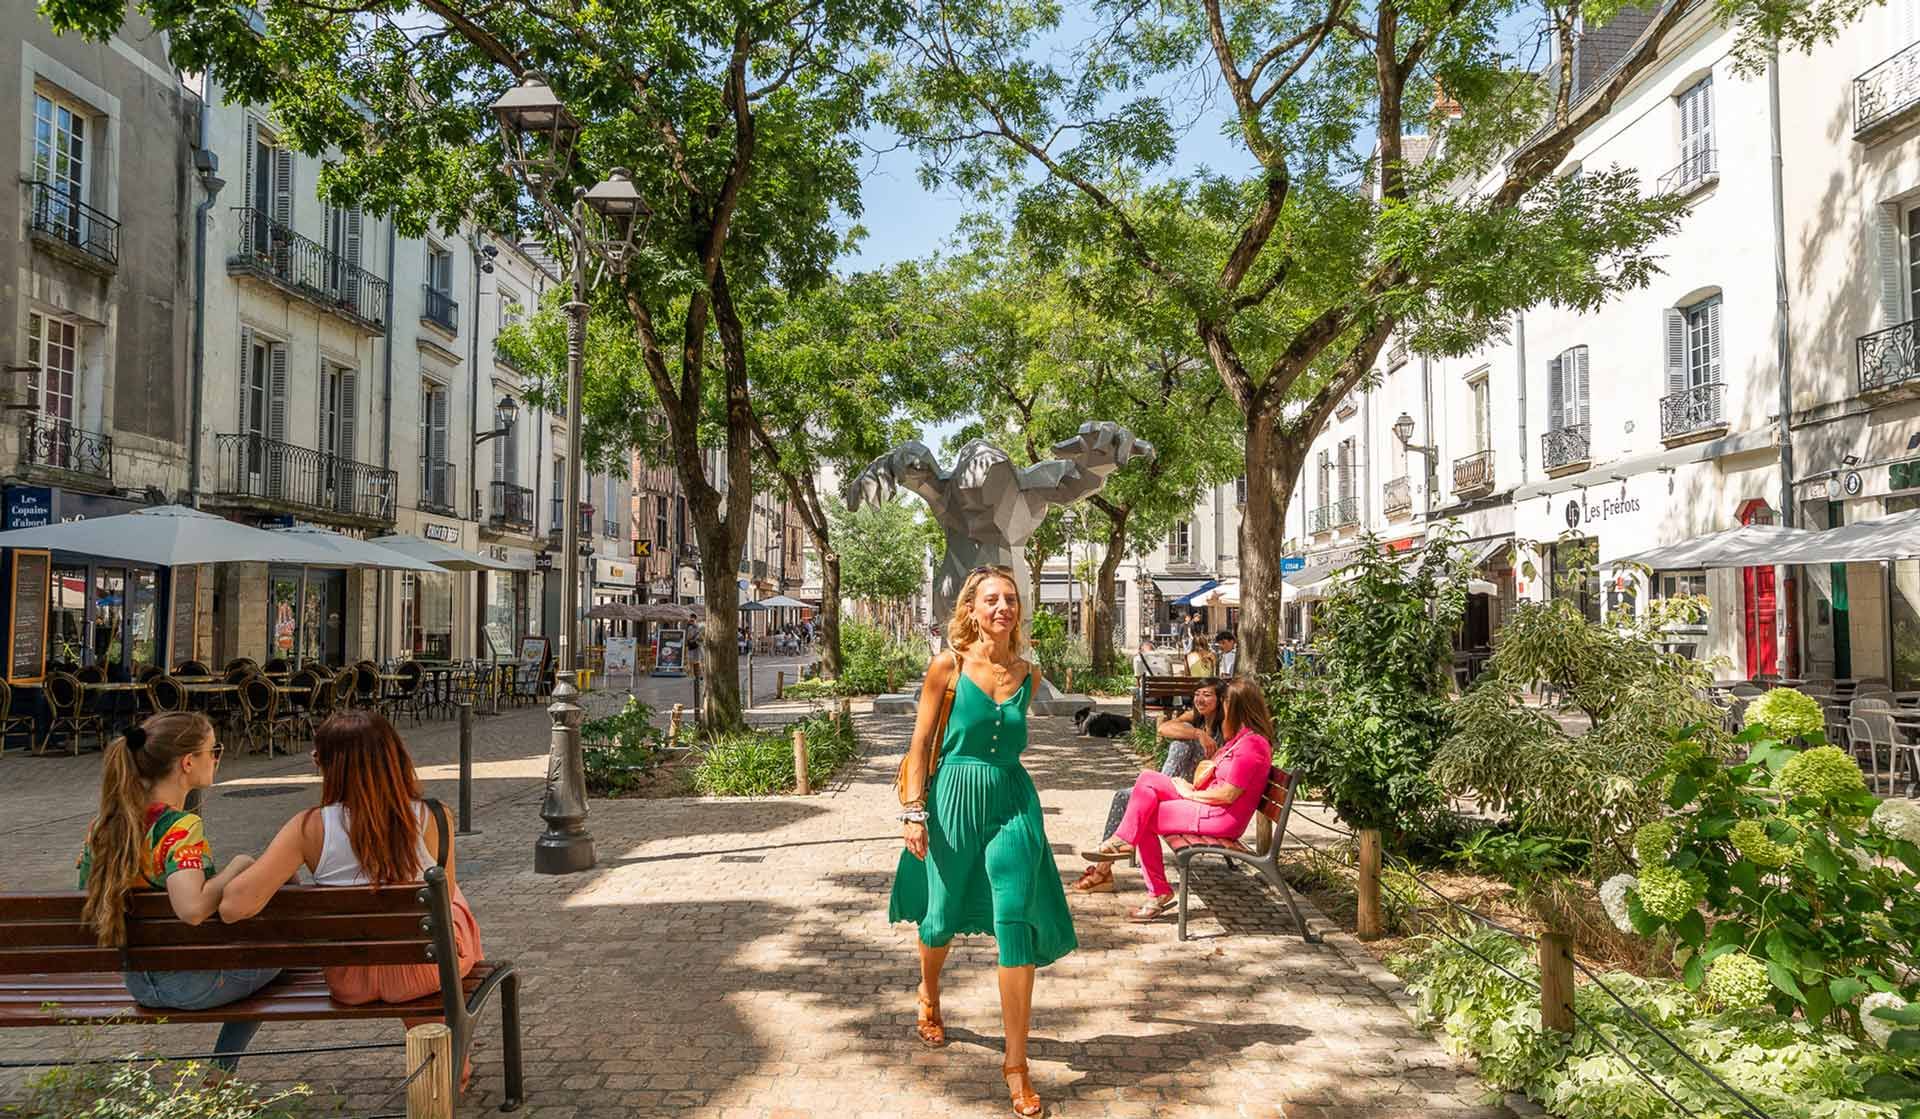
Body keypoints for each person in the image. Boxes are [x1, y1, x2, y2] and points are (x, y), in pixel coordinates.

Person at [890, 565, 1075, 1119]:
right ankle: (929, 991)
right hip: (952, 801)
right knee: (940, 916)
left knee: (1014, 920)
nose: (1003, 608)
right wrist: (914, 812)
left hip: (1013, 802)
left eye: (1011, 600)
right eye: (992, 600)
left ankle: (1016, 1066)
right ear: (971, 609)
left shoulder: (1030, 675)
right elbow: (921, 744)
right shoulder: (947, 667)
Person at [220, 711, 483, 1087]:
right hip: (425, 973)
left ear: (327, 765)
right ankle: (441, 1049)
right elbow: (443, 905)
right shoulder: (435, 817)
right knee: (448, 902)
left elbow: (233, 908)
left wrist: (238, 867)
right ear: (395, 756)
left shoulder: (309, 827)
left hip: (350, 980)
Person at [76, 713, 276, 1071]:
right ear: (187, 763)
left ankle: (221, 1076)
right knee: (286, 954)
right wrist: (238, 865)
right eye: (213, 750)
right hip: (190, 985)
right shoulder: (179, 828)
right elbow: (192, 909)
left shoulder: (104, 826)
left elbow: (84, 896)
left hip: (137, 982)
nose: (217, 757)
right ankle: (221, 1072)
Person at [1079, 677, 1277, 921]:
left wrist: (1190, 793)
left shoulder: (1252, 745)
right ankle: (1125, 843)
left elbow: (1228, 794)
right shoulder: (1241, 739)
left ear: (1237, 707)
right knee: (1148, 779)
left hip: (1220, 817)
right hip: (1207, 807)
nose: (1223, 707)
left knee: (1146, 814)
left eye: (1225, 701)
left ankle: (1155, 887)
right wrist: (1188, 786)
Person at [1071, 680, 1225, 893]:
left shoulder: (1225, 726)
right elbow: (1163, 728)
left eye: (1207, 694)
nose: (1200, 699)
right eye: (1197, 693)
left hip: (1193, 796)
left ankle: (1102, 871)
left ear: (1221, 700)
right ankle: (1104, 869)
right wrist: (1198, 733)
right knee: (1127, 794)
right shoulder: (1196, 720)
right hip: (1175, 788)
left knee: (1129, 796)